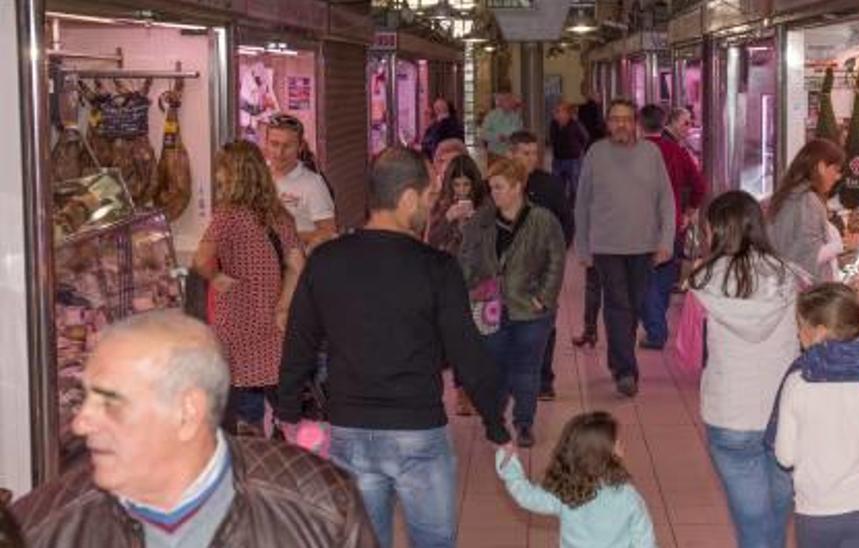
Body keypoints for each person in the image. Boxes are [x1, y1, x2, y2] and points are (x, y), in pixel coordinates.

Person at [278, 146, 513, 548]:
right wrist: (496, 424)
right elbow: (467, 354)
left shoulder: (327, 260)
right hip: (418, 432)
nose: (430, 206)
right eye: (427, 197)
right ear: (406, 198)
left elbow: (298, 343)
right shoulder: (436, 268)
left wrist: (286, 413)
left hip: (349, 431)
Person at [11, 311, 376, 547]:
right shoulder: (39, 529)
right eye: (84, 397)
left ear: (187, 412)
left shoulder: (322, 507)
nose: (80, 422)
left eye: (110, 400)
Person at [687, 190, 803, 548]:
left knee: (750, 520)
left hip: (730, 413)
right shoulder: (787, 275)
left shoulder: (704, 278)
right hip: (784, 412)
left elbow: (688, 351)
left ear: (717, 230)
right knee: (777, 516)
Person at [771, 283, 859, 548]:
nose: (798, 334)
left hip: (818, 511)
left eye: (800, 326)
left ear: (819, 332)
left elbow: (784, 456)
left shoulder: (798, 382)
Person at [193, 140, 305, 432]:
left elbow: (201, 259)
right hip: (271, 316)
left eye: (221, 171)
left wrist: (216, 277)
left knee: (242, 394)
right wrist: (282, 305)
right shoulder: (280, 216)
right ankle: (281, 436)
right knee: (271, 382)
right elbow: (297, 266)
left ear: (233, 174)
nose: (217, 177)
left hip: (237, 318)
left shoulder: (228, 216)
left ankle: (250, 452)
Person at [458, 157, 566, 447]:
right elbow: (466, 256)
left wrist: (543, 298)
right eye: (491, 187)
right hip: (490, 307)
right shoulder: (481, 220)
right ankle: (495, 418)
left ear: (518, 187)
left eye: (499, 187)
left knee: (527, 368)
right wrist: (473, 288)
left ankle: (524, 422)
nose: (493, 193)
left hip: (531, 310)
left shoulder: (543, 220)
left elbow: (556, 259)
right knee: (495, 366)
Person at [574, 98, 676, 398]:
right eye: (614, 119)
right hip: (606, 246)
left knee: (633, 307)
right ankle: (626, 371)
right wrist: (583, 247)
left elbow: (666, 201)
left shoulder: (651, 153)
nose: (620, 124)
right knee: (618, 305)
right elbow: (582, 203)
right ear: (607, 124)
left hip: (643, 246)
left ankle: (618, 359)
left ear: (635, 124)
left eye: (626, 119)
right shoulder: (596, 153)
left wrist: (665, 241)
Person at [495, 411, 655, 548]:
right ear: (605, 454)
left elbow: (527, 497)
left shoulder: (565, 491)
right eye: (618, 443)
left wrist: (510, 468)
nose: (623, 447)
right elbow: (644, 539)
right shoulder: (627, 495)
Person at [509, 130, 574, 401]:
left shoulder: (550, 185)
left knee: (543, 323)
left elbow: (566, 221)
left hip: (543, 269)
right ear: (511, 154)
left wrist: (556, 257)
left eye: (534, 152)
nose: (531, 158)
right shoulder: (499, 184)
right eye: (525, 153)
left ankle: (544, 379)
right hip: (507, 270)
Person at [638, 104, 706, 350]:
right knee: (665, 276)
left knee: (644, 277)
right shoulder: (677, 152)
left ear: (639, 124)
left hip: (641, 225)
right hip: (673, 223)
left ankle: (656, 329)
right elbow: (699, 186)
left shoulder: (635, 152)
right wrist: (688, 212)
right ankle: (657, 322)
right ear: (663, 122)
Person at [425, 154, 489, 417]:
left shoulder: (486, 207)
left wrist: (474, 223)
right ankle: (462, 392)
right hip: (449, 283)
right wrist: (448, 219)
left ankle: (475, 390)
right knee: (456, 339)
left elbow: (493, 244)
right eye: (457, 185)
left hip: (481, 284)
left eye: (466, 185)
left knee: (480, 339)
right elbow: (430, 243)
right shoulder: (440, 208)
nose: (462, 190)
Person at [766, 139, 846, 282]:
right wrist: (841, 245)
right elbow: (809, 257)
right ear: (821, 167)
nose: (838, 177)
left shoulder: (790, 193)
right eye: (836, 170)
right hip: (805, 294)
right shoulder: (807, 200)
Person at [262, 113, 337, 250]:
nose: (279, 152)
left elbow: (329, 232)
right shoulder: (257, 178)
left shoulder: (313, 183)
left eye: (287, 146)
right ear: (265, 143)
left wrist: (287, 236)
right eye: (274, 144)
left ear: (300, 146)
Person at [548, 102, 591, 203]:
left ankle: (575, 207)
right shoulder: (553, 124)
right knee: (557, 186)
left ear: (567, 113)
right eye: (555, 111)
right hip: (558, 160)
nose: (556, 114)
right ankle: (561, 205)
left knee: (575, 187)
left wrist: (578, 150)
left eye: (559, 111)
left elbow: (585, 137)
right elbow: (551, 139)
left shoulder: (575, 124)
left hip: (573, 160)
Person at [480, 92, 523, 159]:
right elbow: (483, 134)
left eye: (511, 100)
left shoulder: (516, 117)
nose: (510, 103)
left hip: (512, 154)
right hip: (495, 153)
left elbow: (520, 132)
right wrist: (498, 137)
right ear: (500, 103)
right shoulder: (491, 116)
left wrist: (513, 138)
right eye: (507, 100)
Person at [422, 97, 466, 162]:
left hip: (439, 162)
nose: (425, 117)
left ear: (436, 111)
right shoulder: (457, 124)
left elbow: (429, 148)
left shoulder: (437, 128)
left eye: (428, 114)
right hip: (459, 161)